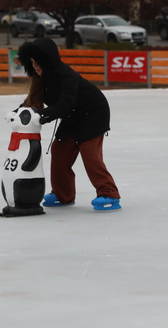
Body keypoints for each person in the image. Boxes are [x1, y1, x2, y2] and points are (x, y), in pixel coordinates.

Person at [16, 37, 121, 211]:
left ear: (46, 61)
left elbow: (66, 104)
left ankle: (109, 193)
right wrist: (19, 113)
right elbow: (33, 101)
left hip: (94, 112)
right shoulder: (39, 79)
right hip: (72, 116)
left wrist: (42, 116)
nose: (35, 67)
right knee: (59, 150)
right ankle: (62, 194)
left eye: (38, 63)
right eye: (32, 63)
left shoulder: (65, 75)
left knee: (90, 154)